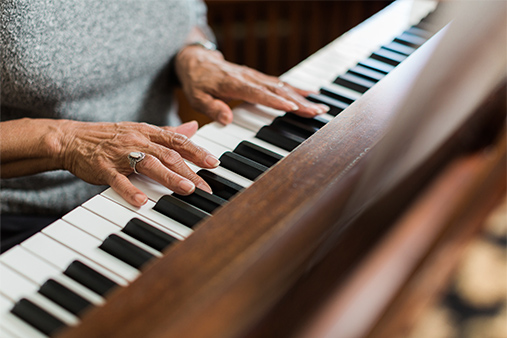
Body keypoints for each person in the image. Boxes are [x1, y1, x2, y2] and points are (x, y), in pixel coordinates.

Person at [0, 0, 328, 251]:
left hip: (158, 178)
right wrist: (65, 142)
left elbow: (186, 16)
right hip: (30, 216)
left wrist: (195, 53)